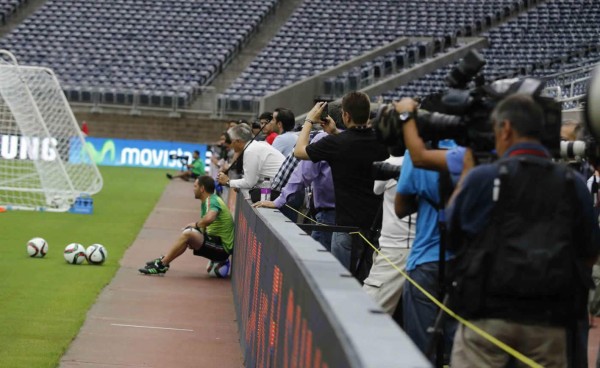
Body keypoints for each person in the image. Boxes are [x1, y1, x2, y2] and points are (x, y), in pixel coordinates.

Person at [447, 94, 600, 367]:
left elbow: (452, 237)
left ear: (506, 128)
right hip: (549, 321)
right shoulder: (573, 183)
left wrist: (468, 173)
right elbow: (589, 254)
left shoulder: (484, 177)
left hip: (488, 317)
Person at [391, 97, 464, 359]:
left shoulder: (417, 151)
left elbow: (400, 207)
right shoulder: (471, 152)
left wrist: (427, 196)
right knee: (458, 353)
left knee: (421, 352)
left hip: (425, 262)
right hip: (464, 263)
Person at [294, 91, 388, 280]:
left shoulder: (336, 143)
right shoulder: (382, 141)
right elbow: (357, 143)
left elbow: (299, 151)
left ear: (345, 115)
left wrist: (309, 121)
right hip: (376, 230)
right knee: (367, 283)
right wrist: (336, 132)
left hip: (346, 228)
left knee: (341, 283)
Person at [253, 131, 336, 250]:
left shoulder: (322, 138)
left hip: (327, 213)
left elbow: (302, 174)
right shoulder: (357, 138)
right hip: (352, 215)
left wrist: (278, 201)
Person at [140, 175, 235, 275]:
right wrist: (196, 232)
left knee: (189, 233)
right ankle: (164, 260)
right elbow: (208, 226)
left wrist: (196, 225)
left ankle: (162, 265)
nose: (193, 189)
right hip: (217, 244)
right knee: (190, 233)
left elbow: (210, 218)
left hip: (222, 249)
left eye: (195, 186)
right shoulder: (209, 201)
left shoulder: (212, 200)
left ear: (202, 189)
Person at [362, 146, 415, 316]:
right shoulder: (428, 163)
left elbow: (377, 188)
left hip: (397, 247)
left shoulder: (391, 164)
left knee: (367, 313)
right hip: (417, 247)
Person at [217, 123, 285, 200]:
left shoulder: (251, 150)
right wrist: (237, 184)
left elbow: (249, 182)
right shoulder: (254, 146)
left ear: (238, 141)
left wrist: (228, 182)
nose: (231, 145)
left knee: (252, 194)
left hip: (278, 191)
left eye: (232, 141)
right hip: (278, 187)